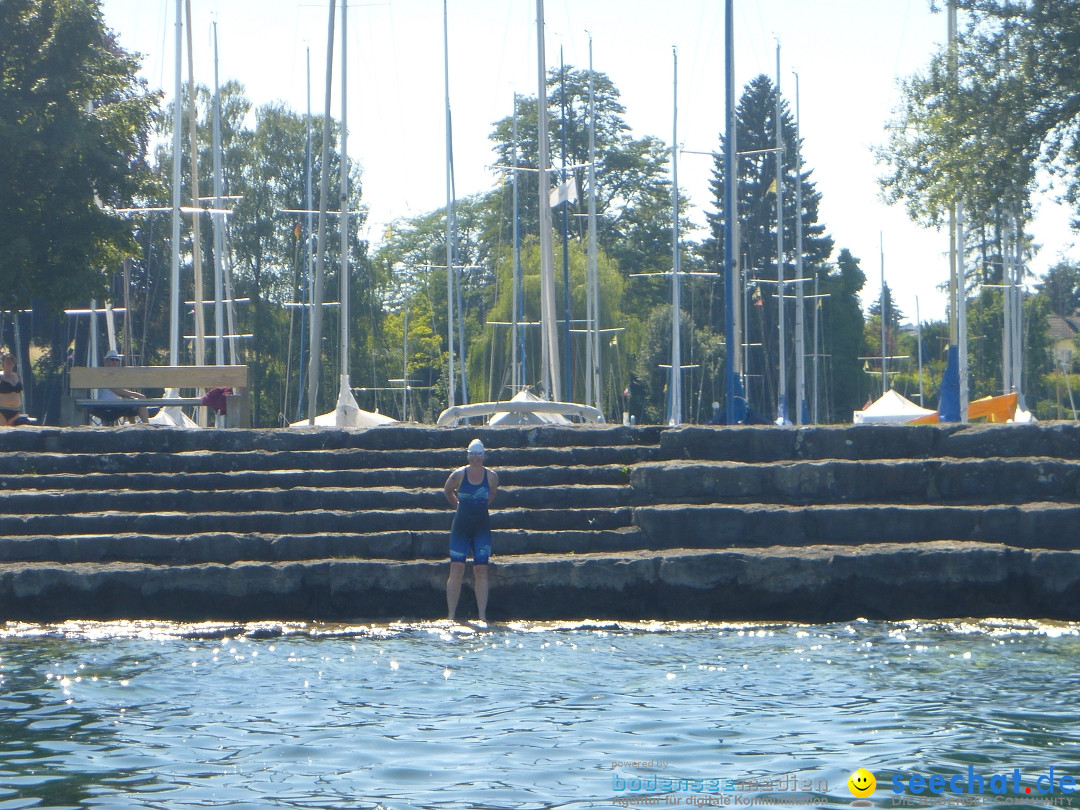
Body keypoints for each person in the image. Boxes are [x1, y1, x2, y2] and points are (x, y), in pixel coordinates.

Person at [443, 438, 499, 622]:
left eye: (479, 454)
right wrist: (459, 505)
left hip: (481, 526)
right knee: (456, 568)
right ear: (468, 455)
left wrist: (479, 506)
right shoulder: (458, 475)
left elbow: (491, 494)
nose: (475, 458)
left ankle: (482, 616)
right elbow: (447, 490)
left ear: (483, 456)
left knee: (481, 570)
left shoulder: (491, 477)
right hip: (461, 526)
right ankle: (451, 616)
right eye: (472, 454)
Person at [91, 349, 152, 424]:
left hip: (118, 403)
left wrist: (132, 397)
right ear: (107, 361)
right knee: (138, 401)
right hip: (106, 404)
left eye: (117, 360)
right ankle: (146, 425)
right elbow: (118, 391)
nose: (114, 362)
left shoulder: (117, 375)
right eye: (112, 360)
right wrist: (137, 395)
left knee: (132, 402)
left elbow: (123, 391)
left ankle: (136, 427)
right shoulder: (105, 373)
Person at [0, 351, 32, 426]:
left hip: (16, 411)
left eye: (11, 361)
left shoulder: (17, 376)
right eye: (7, 361)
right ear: (3, 363)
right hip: (2, 410)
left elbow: (20, 393)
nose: (9, 363)